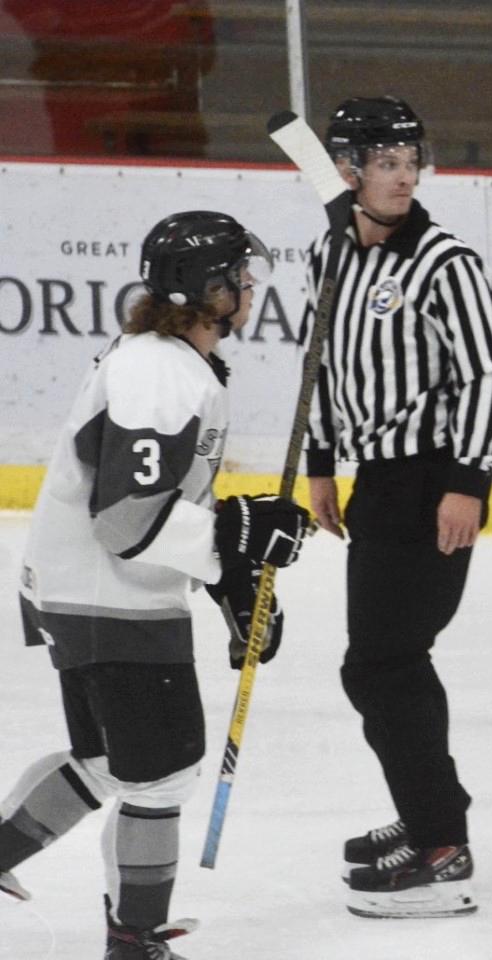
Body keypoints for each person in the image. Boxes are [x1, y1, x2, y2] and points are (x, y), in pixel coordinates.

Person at [1, 211, 313, 959]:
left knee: (111, 763)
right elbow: (125, 519)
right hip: (110, 596)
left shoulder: (166, 361)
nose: (250, 288)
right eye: (240, 277)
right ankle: (135, 941)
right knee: (161, 776)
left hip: (85, 590)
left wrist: (231, 579)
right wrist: (231, 536)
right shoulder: (159, 373)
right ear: (207, 290)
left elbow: (168, 501)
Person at [301, 95, 492, 919]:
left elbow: (490, 373)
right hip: (376, 484)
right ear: (348, 171)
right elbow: (323, 363)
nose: (404, 178)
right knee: (388, 660)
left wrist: (469, 482)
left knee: (383, 664)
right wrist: (321, 463)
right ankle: (430, 815)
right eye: (386, 163)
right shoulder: (332, 256)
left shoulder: (444, 263)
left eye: (411, 162)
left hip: (431, 484)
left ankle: (439, 843)